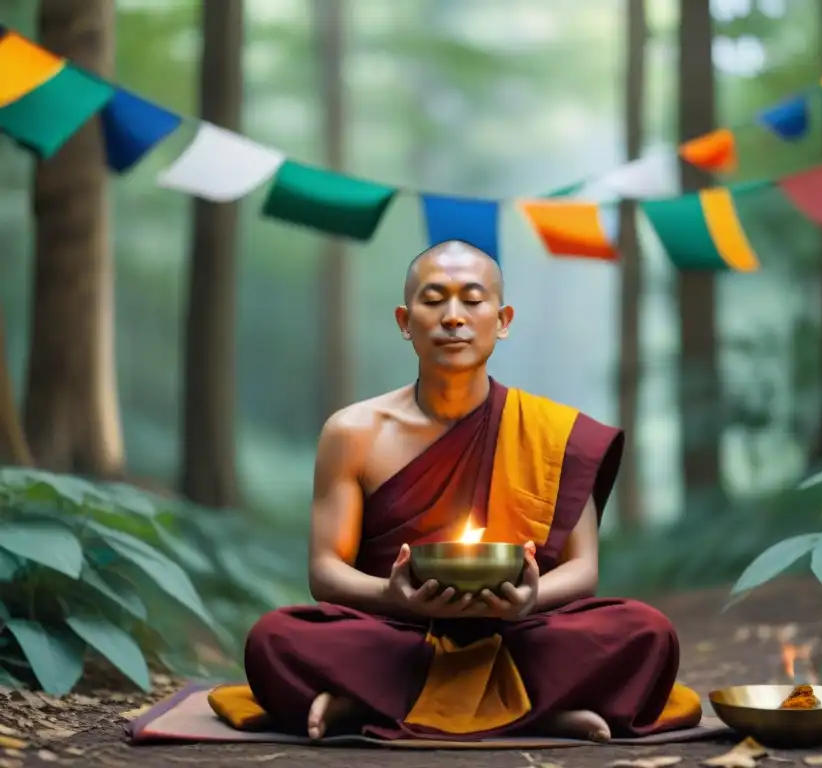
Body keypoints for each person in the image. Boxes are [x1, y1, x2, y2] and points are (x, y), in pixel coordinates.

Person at [214, 240, 702, 742]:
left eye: (472, 300)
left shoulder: (552, 433)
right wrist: (394, 596)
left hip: (519, 631)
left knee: (645, 630)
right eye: (433, 300)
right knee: (275, 638)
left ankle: (364, 704)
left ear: (503, 318)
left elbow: (583, 571)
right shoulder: (353, 432)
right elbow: (326, 571)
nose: (453, 317)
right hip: (398, 633)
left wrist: (528, 600)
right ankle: (544, 710)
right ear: (405, 321)